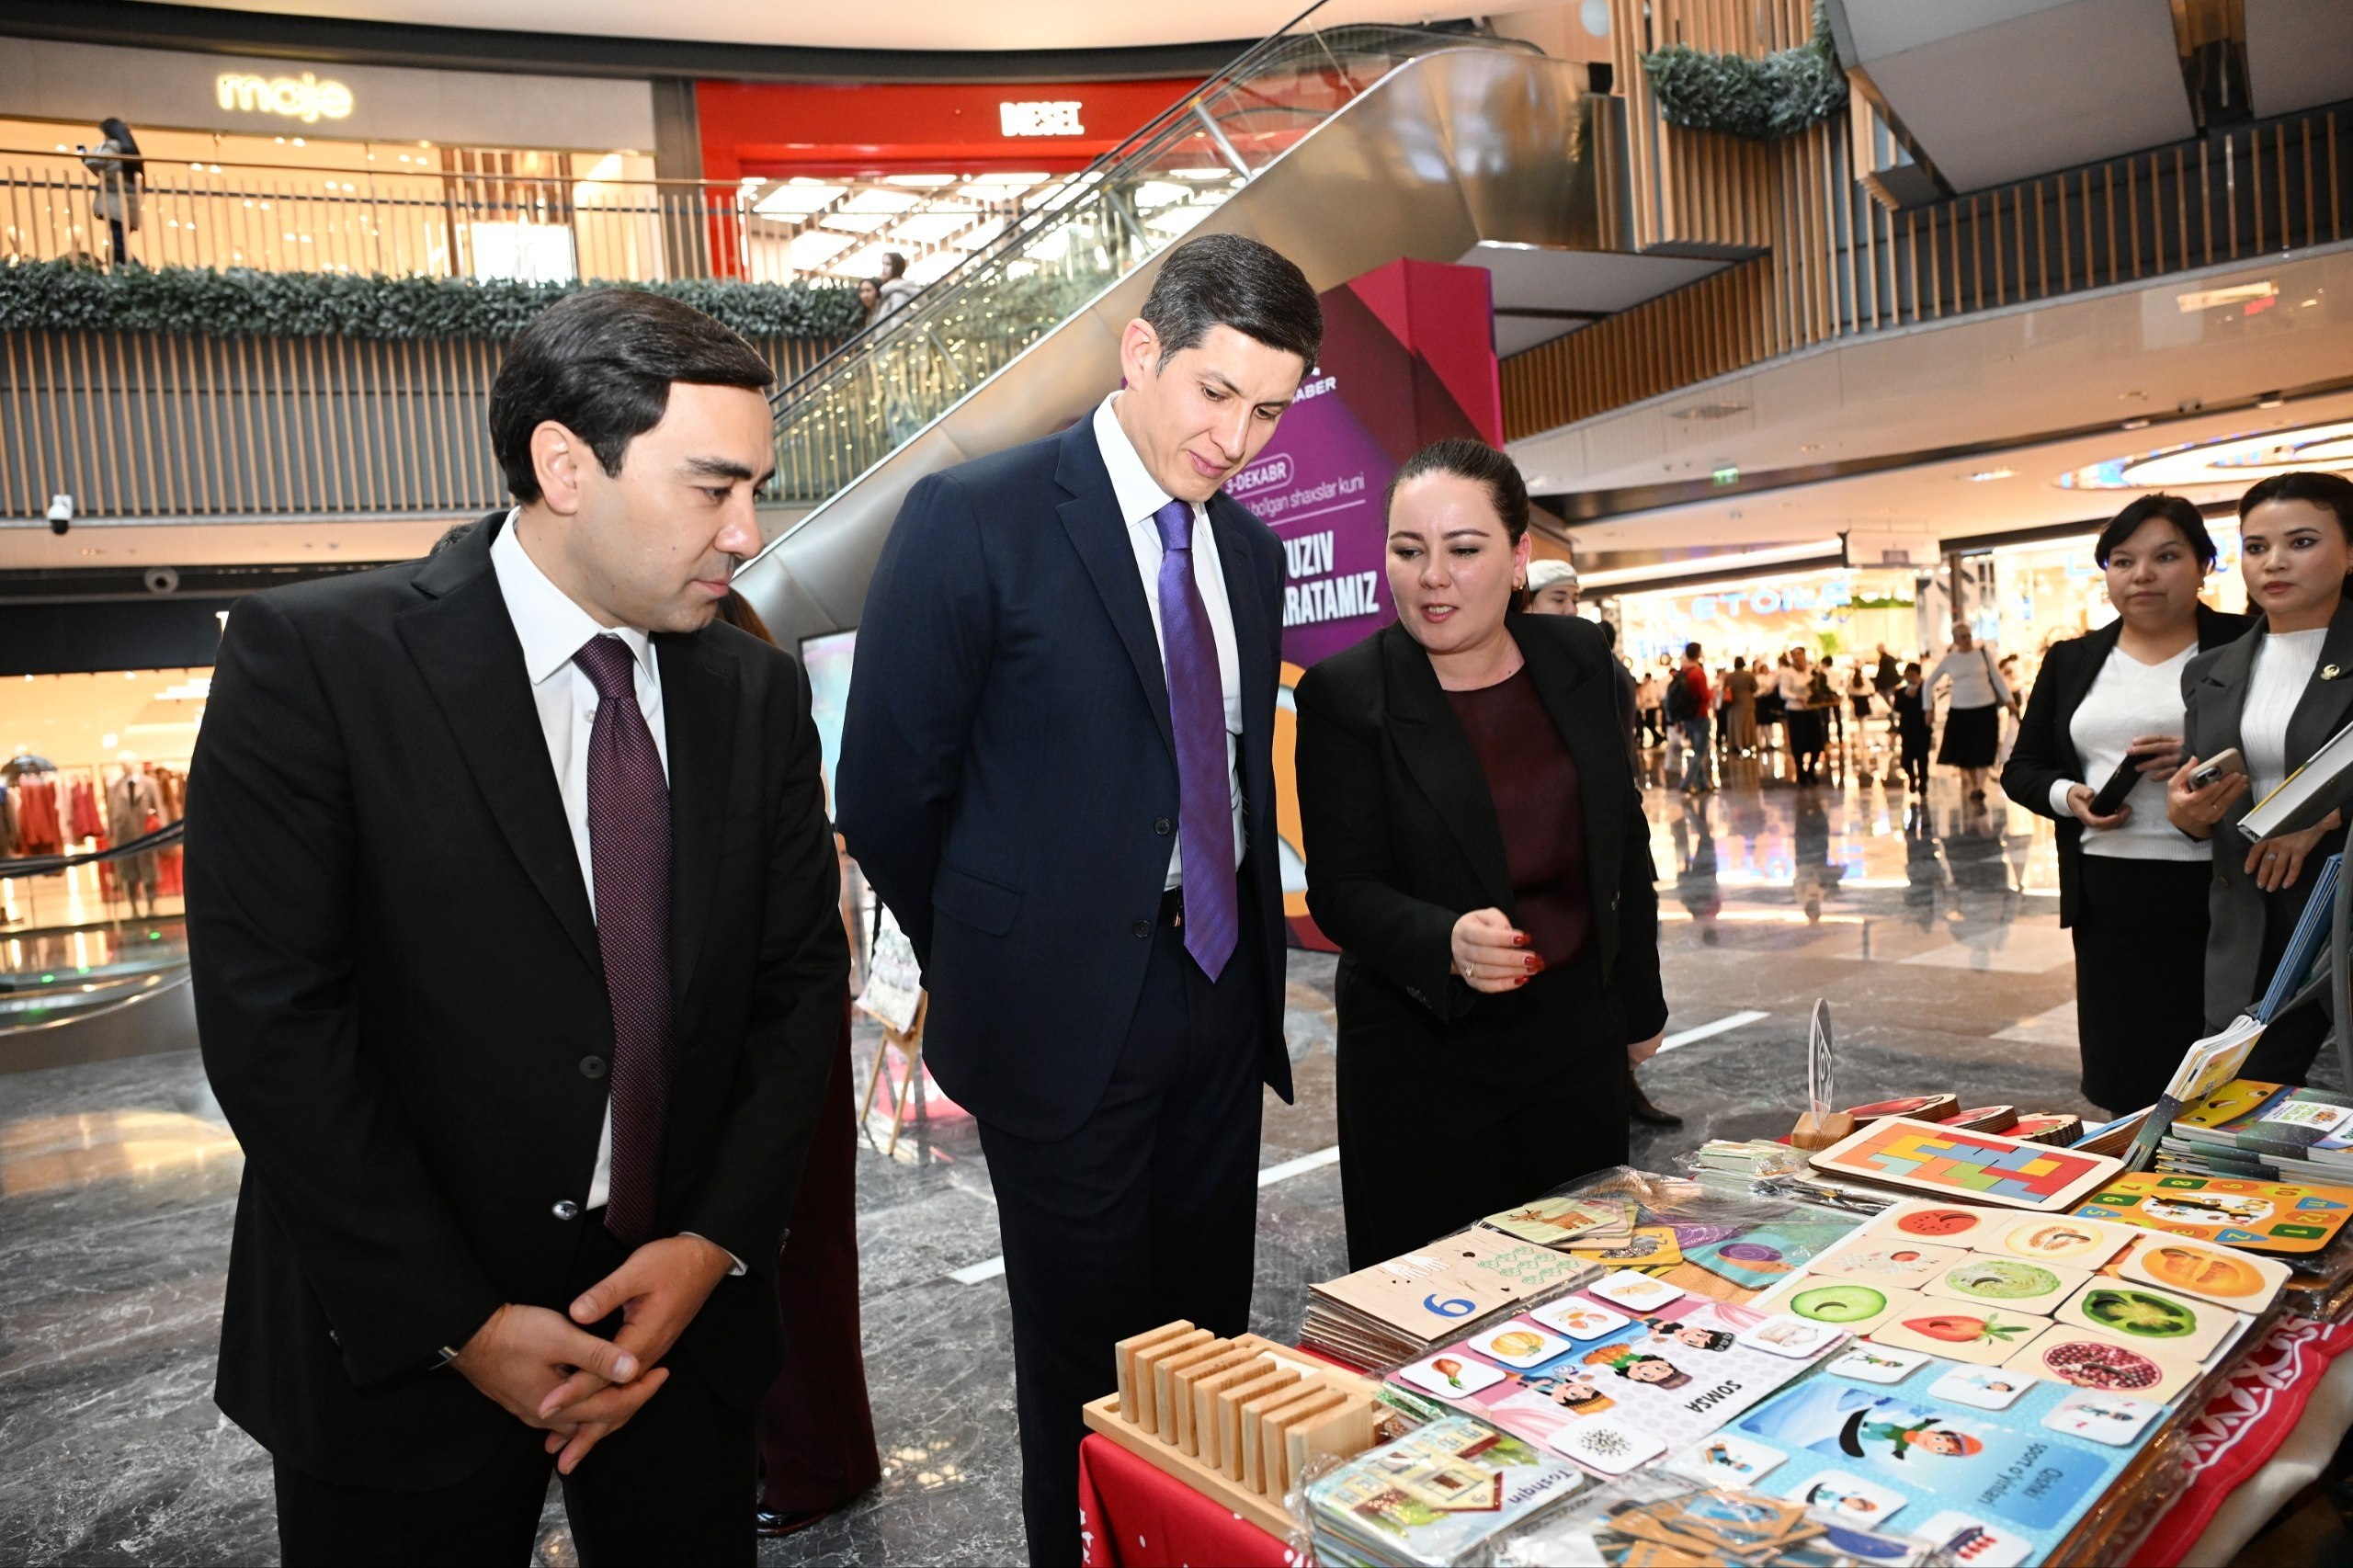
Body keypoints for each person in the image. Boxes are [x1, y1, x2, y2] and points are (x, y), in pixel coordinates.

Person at [184, 290, 850, 1566]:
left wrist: (710, 1243)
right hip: (398, 1351)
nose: (747, 532)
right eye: (713, 488)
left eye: (755, 490)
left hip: (677, 1335)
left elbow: (796, 986)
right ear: (564, 465)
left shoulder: (754, 689)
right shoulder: (319, 663)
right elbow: (277, 1030)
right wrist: (464, 1323)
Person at [836, 233, 1311, 1567]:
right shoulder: (975, 515)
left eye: (1270, 411)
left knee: (1207, 1354)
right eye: (1215, 393)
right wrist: (998, 954)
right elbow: (887, 788)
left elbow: (1226, 769)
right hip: (1057, 1015)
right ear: (1141, 350)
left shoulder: (1251, 552)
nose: (1235, 439)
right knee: (1086, 1373)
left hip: (1216, 991)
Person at [1294, 438, 1667, 1267]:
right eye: (1408, 551)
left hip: (1576, 1045)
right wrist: (1445, 941)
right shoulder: (1346, 695)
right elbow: (1343, 889)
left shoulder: (1579, 661)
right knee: (1439, 1305)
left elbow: (1623, 842)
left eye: (1463, 550)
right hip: (1425, 1059)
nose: (1433, 577)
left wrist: (1639, 1007)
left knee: (1587, 1291)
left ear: (1519, 557)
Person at [713, 590, 884, 1540]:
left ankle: (821, 1463)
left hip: (783, 1038)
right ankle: (783, 1454)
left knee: (799, 1259)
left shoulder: (760, 723)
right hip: (744, 1040)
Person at [2002, 495, 2247, 1115]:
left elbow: (2285, 746)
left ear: (2204, 565)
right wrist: (2070, 796)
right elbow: (2023, 768)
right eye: (2122, 560)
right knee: (2127, 1070)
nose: (2142, 575)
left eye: (2166, 557)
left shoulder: (2246, 643)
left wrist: (2200, 753)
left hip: (2223, 885)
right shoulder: (2073, 659)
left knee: (2222, 1078)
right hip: (2108, 891)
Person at [2169, 472, 2353, 1086]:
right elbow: (2203, 784)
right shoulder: (2209, 670)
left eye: (2302, 542)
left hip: (2342, 909)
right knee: (2233, 1099)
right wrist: (2188, 814)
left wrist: (2323, 818)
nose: (2274, 562)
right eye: (2255, 547)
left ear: (2350, 551)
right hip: (2251, 918)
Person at [1523, 571, 1677, 1130]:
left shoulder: (1589, 662)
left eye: (1574, 599)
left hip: (1611, 825)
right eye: (1558, 599)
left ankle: (1621, 1080)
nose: (1571, 609)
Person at [1927, 621, 2016, 800]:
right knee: (1965, 751)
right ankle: (1975, 783)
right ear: (1955, 640)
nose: (1967, 639)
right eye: (1963, 636)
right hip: (1960, 709)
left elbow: (1997, 678)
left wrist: (2009, 700)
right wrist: (1928, 708)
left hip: (1985, 707)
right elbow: (1929, 683)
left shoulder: (1982, 654)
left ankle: (1980, 785)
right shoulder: (1950, 660)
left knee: (1985, 746)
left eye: (1969, 635)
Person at [105, 751, 164, 916]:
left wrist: (161, 832)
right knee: (128, 873)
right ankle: (133, 908)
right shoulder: (115, 787)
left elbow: (159, 808)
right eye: (122, 764)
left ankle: (151, 905)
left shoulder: (150, 784)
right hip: (124, 836)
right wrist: (111, 835)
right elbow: (111, 813)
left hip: (146, 835)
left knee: (149, 871)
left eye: (127, 763)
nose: (124, 767)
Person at [82, 117, 142, 266]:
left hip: (116, 205)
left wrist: (84, 154)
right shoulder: (129, 150)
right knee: (118, 244)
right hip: (128, 205)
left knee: (118, 245)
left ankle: (138, 272)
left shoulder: (113, 145)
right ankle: (129, 271)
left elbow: (94, 162)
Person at [1672, 642, 1713, 793]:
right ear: (1699, 653)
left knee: (1697, 749)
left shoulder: (1683, 672)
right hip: (1700, 715)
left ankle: (1702, 783)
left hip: (1687, 717)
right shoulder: (1698, 673)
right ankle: (1686, 783)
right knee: (1700, 752)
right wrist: (1713, 692)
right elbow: (1705, 696)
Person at [1780, 648, 1826, 785]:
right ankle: (1800, 772)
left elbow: (1819, 687)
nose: (1797, 657)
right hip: (1796, 711)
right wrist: (1797, 697)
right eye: (1794, 655)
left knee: (1817, 743)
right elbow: (1783, 692)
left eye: (1799, 654)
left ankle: (1811, 771)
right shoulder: (1788, 673)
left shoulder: (1812, 670)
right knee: (1798, 744)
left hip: (1812, 710)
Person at [1891, 663, 1931, 793]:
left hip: (1922, 729)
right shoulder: (1901, 691)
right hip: (1907, 729)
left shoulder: (1925, 690)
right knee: (1906, 759)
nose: (1910, 677)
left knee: (1922, 758)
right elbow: (1897, 707)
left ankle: (1923, 782)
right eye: (1907, 675)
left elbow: (1929, 707)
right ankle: (1912, 777)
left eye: (1912, 675)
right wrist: (1907, 697)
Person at [1724, 656, 1759, 756]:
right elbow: (1755, 688)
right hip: (1748, 702)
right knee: (1748, 725)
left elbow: (1725, 688)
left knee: (1735, 725)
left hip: (1734, 704)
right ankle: (1748, 742)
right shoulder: (1749, 675)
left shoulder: (1730, 676)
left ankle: (1736, 743)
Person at [1635, 668, 1665, 747]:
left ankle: (1658, 737)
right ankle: (1658, 738)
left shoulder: (1650, 686)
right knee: (1650, 724)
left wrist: (1644, 700)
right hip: (1650, 707)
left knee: (1649, 724)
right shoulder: (1649, 685)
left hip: (1651, 707)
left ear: (1647, 678)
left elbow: (1650, 697)